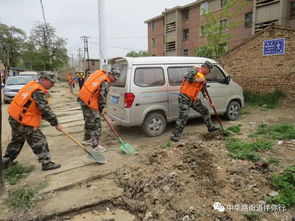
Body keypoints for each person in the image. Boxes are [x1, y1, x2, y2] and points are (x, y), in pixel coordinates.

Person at [2, 72, 63, 171]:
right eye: (51, 82)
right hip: (24, 121)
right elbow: (45, 109)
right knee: (39, 140)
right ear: (43, 80)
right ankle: (46, 163)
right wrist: (56, 123)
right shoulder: (38, 91)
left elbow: (38, 109)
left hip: (14, 117)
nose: (53, 85)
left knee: (17, 140)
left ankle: (6, 162)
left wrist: (52, 121)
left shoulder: (32, 85)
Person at [171, 61, 219, 142]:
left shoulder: (203, 78)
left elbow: (204, 91)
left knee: (205, 111)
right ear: (205, 68)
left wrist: (210, 101)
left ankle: (210, 127)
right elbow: (188, 78)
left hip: (193, 99)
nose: (208, 72)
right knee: (183, 116)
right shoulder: (195, 70)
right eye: (209, 70)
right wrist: (198, 79)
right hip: (184, 97)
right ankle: (175, 135)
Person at [78, 68, 120, 152]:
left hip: (83, 97)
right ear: (111, 75)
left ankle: (87, 139)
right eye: (115, 78)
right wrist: (100, 110)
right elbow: (102, 98)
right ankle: (96, 145)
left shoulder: (100, 73)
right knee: (96, 124)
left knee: (89, 120)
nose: (115, 80)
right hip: (89, 102)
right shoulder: (105, 82)